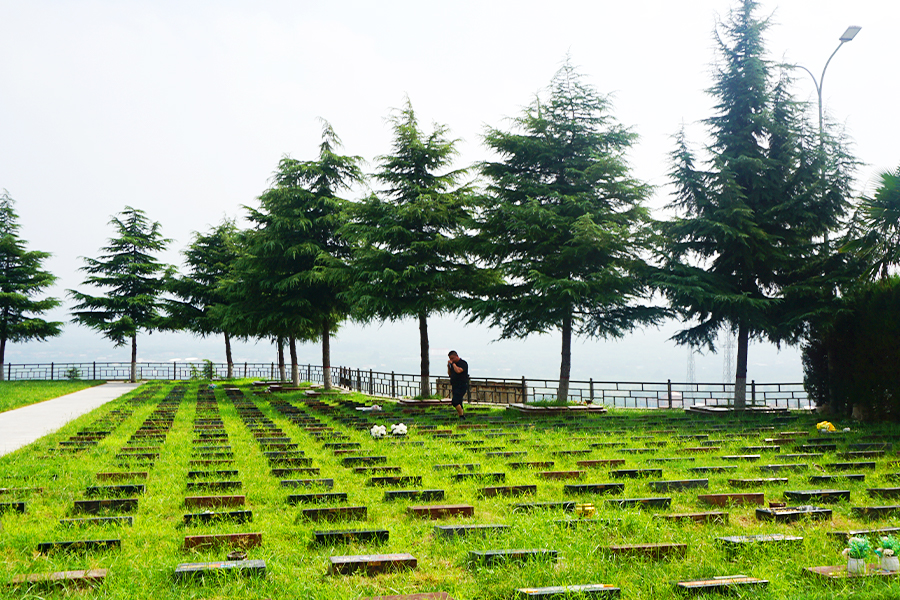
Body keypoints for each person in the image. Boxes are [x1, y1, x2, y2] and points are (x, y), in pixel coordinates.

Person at [447, 350, 468, 418]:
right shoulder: (453, 365)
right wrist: (449, 367)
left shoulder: (463, 363)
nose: (451, 360)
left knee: (455, 401)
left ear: (457, 356)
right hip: (455, 385)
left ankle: (462, 415)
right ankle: (460, 417)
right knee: (459, 401)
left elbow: (458, 371)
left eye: (452, 358)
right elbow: (450, 374)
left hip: (462, 385)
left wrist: (453, 364)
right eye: (450, 359)